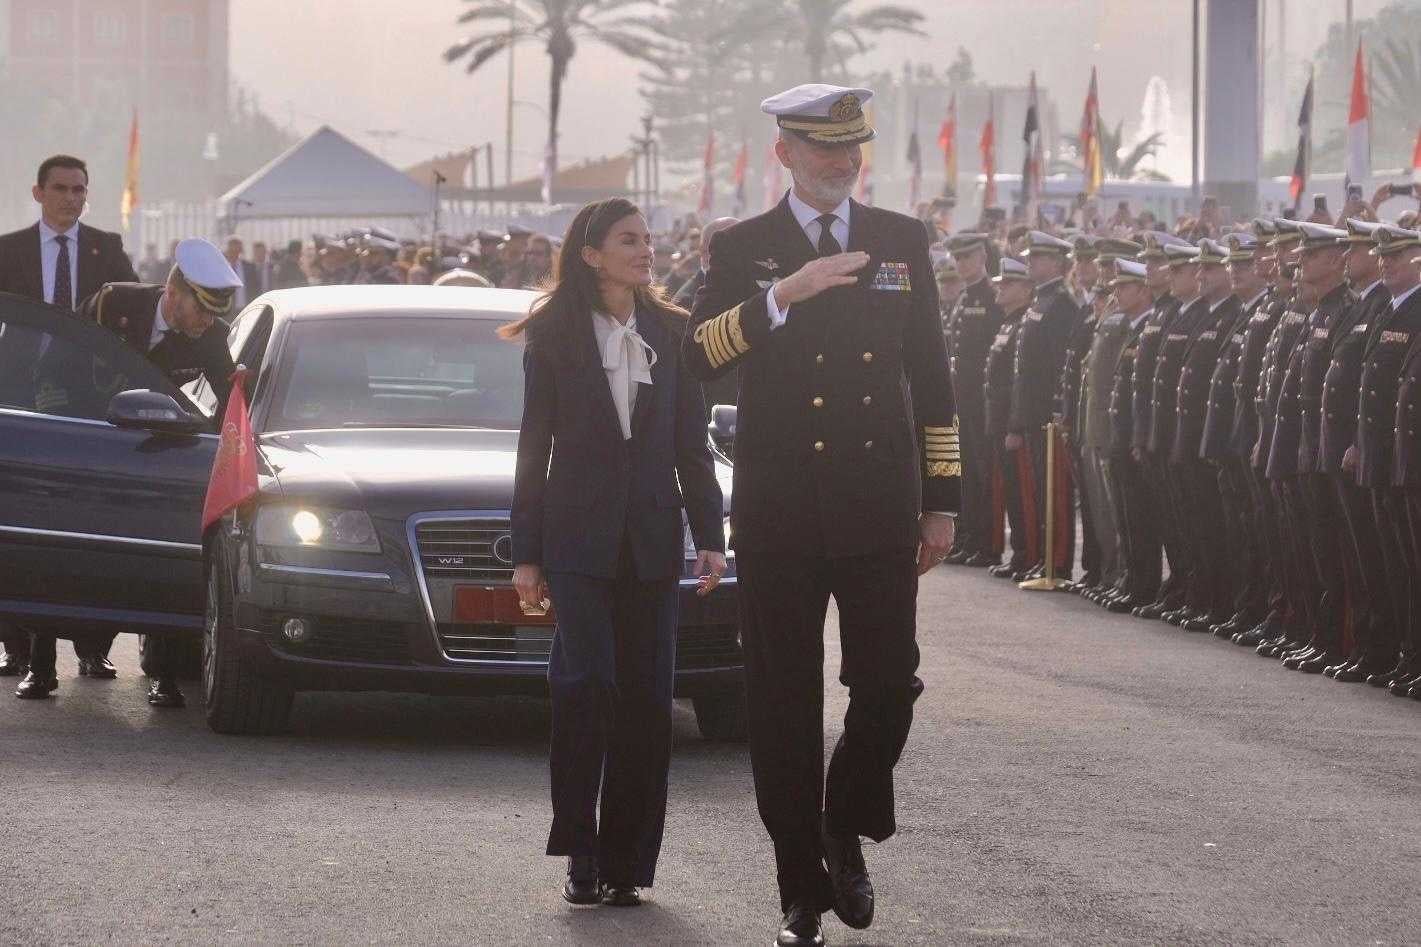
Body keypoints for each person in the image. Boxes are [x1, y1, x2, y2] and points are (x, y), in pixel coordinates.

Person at [684, 83, 959, 947]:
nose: (841, 163)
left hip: (878, 503)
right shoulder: (743, 247)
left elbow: (934, 380)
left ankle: (842, 822)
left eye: (852, 150)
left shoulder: (898, 240)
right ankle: (797, 884)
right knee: (781, 703)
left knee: (888, 683)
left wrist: (942, 501)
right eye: (823, 150)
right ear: (785, 156)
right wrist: (782, 296)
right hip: (779, 510)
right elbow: (697, 355)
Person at [506, 198, 726, 909]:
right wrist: (527, 553)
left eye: (647, 239)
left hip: (653, 541)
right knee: (586, 685)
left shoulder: (673, 329)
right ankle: (580, 847)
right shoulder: (555, 333)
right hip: (576, 540)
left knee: (645, 698)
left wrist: (712, 536)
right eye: (628, 240)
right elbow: (532, 449)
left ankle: (628, 859)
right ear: (591, 253)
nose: (646, 249)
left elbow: (693, 445)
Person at [15, 239, 241, 703]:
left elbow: (228, 406)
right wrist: (63, 435)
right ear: (174, 292)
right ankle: (40, 665)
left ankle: (162, 673)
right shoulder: (112, 303)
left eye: (213, 314)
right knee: (61, 558)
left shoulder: (211, 336)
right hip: (83, 441)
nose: (206, 322)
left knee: (163, 561)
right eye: (201, 310)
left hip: (151, 452)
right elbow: (54, 363)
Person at [0, 153, 139, 680]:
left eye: (79, 189)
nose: (70, 198)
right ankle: (20, 648)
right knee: (21, 522)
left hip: (86, 402)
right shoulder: (8, 251)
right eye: (60, 188)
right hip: (17, 400)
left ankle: (90, 645)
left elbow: (133, 313)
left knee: (92, 519)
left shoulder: (108, 249)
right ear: (38, 193)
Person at [942, 232, 1001, 567]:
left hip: (980, 399)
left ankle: (986, 542)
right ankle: (967, 537)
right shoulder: (964, 299)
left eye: (967, 258)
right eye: (958, 259)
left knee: (982, 471)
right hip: (961, 398)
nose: (961, 264)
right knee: (964, 471)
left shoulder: (991, 296)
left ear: (981, 257)